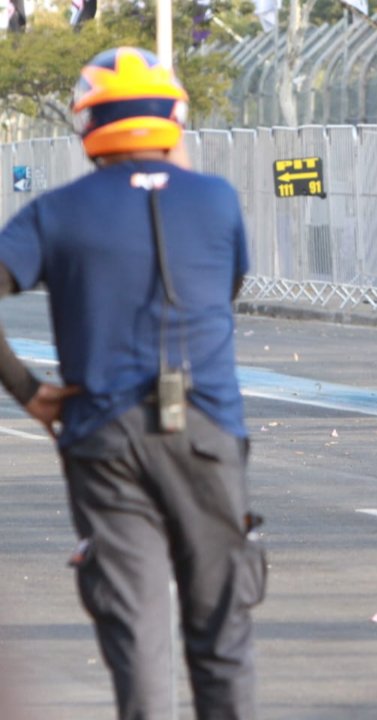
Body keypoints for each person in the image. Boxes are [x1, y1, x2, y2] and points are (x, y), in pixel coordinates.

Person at [0, 47, 265, 720]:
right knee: (222, 638)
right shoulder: (217, 200)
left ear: (88, 123)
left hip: (103, 438)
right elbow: (227, 289)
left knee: (139, 638)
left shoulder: (54, 213)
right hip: (208, 434)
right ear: (174, 117)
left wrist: (27, 388)